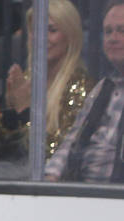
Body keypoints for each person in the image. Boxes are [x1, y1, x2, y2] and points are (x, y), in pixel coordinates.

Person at [0, 0, 91, 168]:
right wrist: (11, 110)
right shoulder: (26, 81)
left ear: (70, 36)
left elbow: (56, 158)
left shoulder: (82, 87)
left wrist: (25, 112)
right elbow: (0, 149)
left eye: (52, 30)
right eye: (36, 30)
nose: (42, 37)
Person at [45, 0, 124, 183]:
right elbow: (72, 142)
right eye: (108, 31)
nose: (113, 38)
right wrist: (48, 182)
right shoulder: (103, 88)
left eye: (122, 30)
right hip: (82, 195)